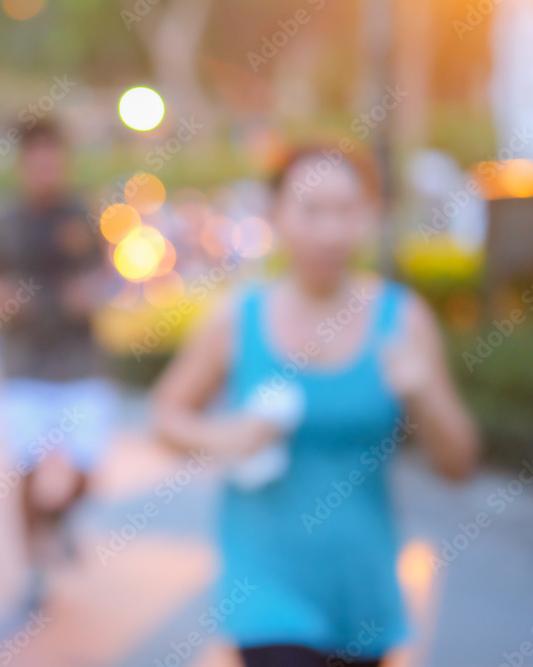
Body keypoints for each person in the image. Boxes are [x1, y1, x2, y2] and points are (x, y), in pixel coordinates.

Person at [152, 146, 480, 667]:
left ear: (369, 217)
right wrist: (224, 437)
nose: (330, 232)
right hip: (264, 591)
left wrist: (424, 392)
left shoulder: (403, 320)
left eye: (346, 211)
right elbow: (166, 416)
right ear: (276, 214)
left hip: (364, 595)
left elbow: (459, 463)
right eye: (311, 211)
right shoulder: (237, 320)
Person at [0, 119, 115, 605]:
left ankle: (56, 523)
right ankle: (33, 566)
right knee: (27, 467)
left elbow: (109, 271)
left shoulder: (84, 215)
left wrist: (92, 291)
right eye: (37, 157)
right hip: (24, 364)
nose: (46, 167)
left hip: (79, 364)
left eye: (54, 156)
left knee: (87, 469)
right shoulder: (1, 222)